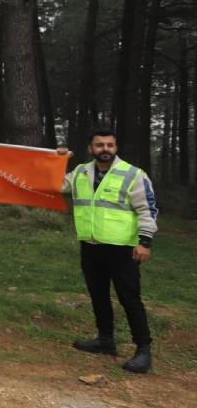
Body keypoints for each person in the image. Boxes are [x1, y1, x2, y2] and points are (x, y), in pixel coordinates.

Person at [58, 130, 158, 374]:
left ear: (116, 147)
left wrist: (144, 242)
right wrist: (58, 160)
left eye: (110, 144)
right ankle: (105, 340)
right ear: (91, 148)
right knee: (98, 294)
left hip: (122, 249)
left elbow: (148, 209)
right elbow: (57, 185)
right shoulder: (81, 172)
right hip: (91, 246)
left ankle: (143, 350)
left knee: (129, 299)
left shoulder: (133, 174)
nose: (105, 148)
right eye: (100, 144)